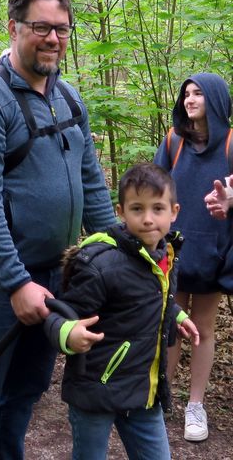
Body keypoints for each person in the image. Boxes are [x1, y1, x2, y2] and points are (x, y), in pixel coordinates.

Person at [0, 0, 116, 459]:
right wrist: (16, 283)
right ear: (14, 28)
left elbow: (91, 184)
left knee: (24, 393)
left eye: (61, 29)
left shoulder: (69, 99)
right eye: (41, 27)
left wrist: (120, 252)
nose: (53, 39)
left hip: (55, 274)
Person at [44, 163, 200, 460]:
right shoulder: (102, 265)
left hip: (142, 389)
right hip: (95, 389)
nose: (148, 219)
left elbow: (151, 297)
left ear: (174, 211)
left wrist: (176, 314)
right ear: (121, 211)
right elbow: (58, 315)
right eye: (137, 209)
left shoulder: (165, 254)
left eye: (157, 208)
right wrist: (68, 332)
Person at [153, 72, 233, 442]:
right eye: (186, 93)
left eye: (198, 93)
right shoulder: (173, 142)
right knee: (169, 324)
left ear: (215, 99)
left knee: (201, 329)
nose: (190, 99)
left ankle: (196, 406)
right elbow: (155, 189)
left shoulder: (232, 144)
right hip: (173, 250)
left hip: (214, 253)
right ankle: (159, 397)